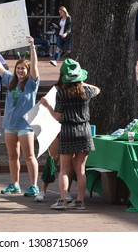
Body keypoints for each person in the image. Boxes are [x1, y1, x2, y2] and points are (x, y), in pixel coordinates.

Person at [41, 58, 100, 210]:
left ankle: (62, 200)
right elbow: (98, 89)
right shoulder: (87, 91)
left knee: (64, 169)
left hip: (67, 130)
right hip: (84, 130)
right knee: (80, 169)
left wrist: (48, 107)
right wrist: (82, 81)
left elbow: (58, 117)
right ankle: (80, 201)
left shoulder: (61, 94)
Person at [0, 36, 40, 197]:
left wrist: (32, 47)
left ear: (28, 70)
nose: (20, 71)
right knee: (12, 156)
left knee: (29, 156)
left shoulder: (32, 83)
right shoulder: (10, 80)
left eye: (24, 69)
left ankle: (33, 186)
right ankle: (15, 184)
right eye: (18, 68)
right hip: (10, 124)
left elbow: (35, 66)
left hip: (25, 126)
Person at [35, 73, 74, 203]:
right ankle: (42, 190)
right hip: (57, 129)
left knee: (69, 163)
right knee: (53, 159)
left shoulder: (79, 90)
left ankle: (66, 191)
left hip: (71, 130)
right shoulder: (57, 91)